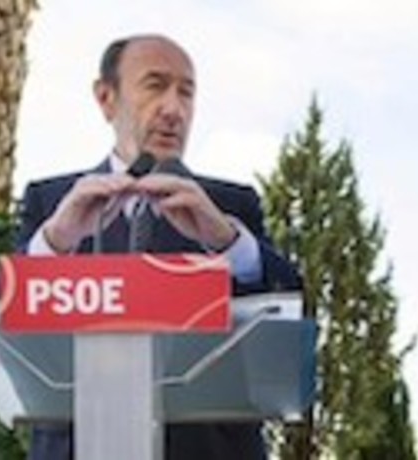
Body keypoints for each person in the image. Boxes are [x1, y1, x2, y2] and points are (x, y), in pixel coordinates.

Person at [15, 33, 302, 460]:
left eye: (186, 93)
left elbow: (292, 308)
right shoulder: (52, 203)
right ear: (106, 98)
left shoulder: (230, 209)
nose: (174, 109)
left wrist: (226, 242)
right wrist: (56, 241)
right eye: (155, 86)